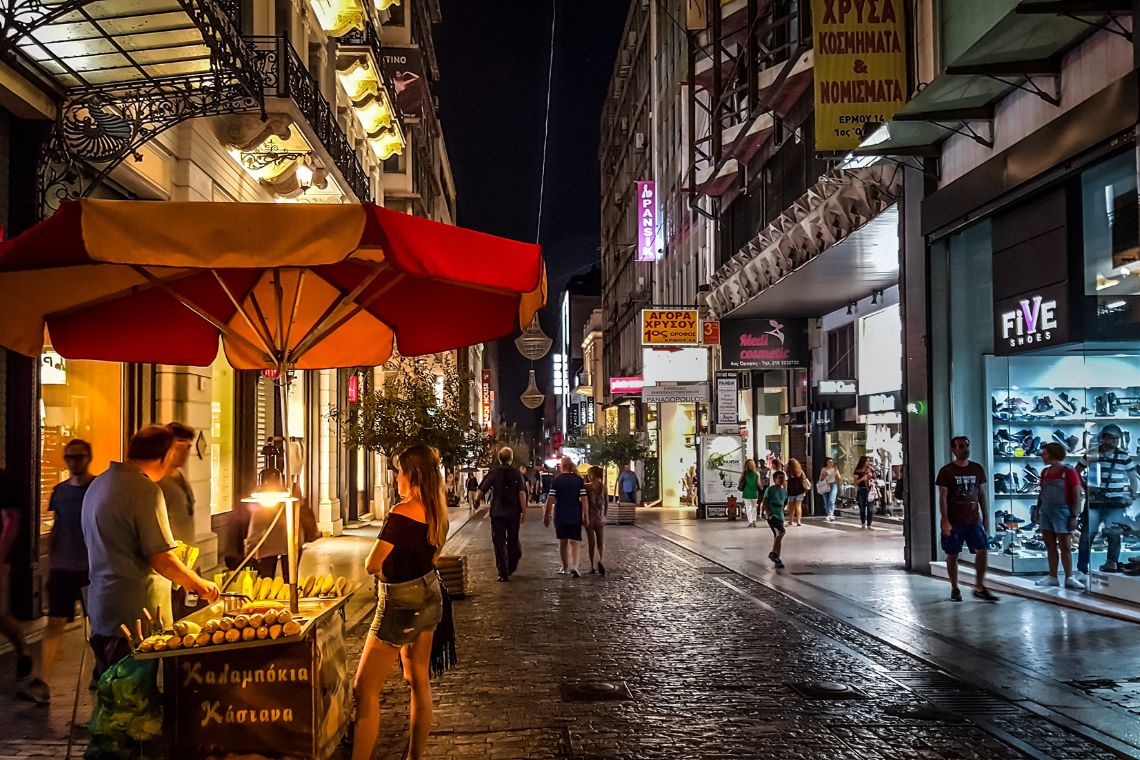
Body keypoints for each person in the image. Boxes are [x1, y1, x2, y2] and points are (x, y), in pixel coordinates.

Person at [82, 425, 220, 677]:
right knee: (131, 696)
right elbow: (161, 557)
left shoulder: (99, 483)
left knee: (112, 690)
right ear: (165, 455)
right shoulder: (145, 490)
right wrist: (199, 585)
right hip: (136, 614)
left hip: (103, 607)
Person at [352, 444, 450, 760]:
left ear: (411, 475)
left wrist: (383, 570)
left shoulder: (402, 512)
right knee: (417, 680)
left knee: (363, 688)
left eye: (399, 471)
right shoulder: (437, 509)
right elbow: (432, 556)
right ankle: (414, 757)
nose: (396, 477)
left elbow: (371, 562)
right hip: (430, 593)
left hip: (400, 600)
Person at [42, 440, 96, 698]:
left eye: (79, 457)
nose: (73, 462)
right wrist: (51, 561)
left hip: (89, 567)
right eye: (69, 457)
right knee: (55, 621)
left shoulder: (95, 489)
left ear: (88, 458)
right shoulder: (60, 491)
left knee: (95, 624)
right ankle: (43, 679)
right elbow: (56, 525)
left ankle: (101, 672)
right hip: (63, 566)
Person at [0, 468, 48, 703]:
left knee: (0, 616)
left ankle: (23, 653)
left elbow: (11, 520)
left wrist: (1, 558)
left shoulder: (2, 480)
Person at [935, 436, 998, 602]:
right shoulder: (946, 471)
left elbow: (981, 493)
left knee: (982, 550)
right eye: (961, 447)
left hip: (973, 519)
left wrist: (985, 515)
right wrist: (945, 520)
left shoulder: (976, 469)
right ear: (954, 450)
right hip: (955, 520)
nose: (965, 450)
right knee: (952, 553)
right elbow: (943, 497)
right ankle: (955, 587)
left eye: (967, 446)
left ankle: (979, 586)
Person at [1076, 423, 1138, 574]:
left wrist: (1132, 494)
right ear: (1104, 438)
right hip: (1095, 499)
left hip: (1115, 500)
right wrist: (1084, 486)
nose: (1114, 441)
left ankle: (1111, 563)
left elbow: (1133, 478)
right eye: (1111, 438)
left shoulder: (1123, 455)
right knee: (1086, 536)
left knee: (1114, 534)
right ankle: (1083, 568)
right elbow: (1076, 471)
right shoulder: (1092, 453)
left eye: (1116, 438)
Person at [1035, 443, 1084, 590]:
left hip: (1063, 511)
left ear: (1052, 454)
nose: (1042, 456)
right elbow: (1042, 492)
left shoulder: (1069, 472)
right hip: (1047, 511)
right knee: (1050, 546)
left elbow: (1077, 495)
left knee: (1065, 547)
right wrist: (1037, 510)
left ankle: (1069, 576)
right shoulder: (1045, 472)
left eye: (1044, 453)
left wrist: (1074, 515)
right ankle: (1052, 576)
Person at [479, 447, 526, 582]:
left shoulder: (494, 472)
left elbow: (483, 489)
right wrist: (524, 511)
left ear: (499, 458)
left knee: (498, 542)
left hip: (497, 512)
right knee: (512, 539)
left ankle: (502, 572)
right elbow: (521, 493)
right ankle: (511, 565)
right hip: (513, 512)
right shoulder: (517, 473)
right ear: (511, 459)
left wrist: (476, 500)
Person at [544, 456, 588, 577]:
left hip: (560, 514)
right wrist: (586, 515)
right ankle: (575, 566)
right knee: (575, 541)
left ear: (561, 466)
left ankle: (565, 566)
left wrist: (546, 516)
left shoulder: (556, 480)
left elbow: (550, 499)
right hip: (575, 513)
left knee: (563, 541)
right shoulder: (578, 480)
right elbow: (584, 499)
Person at [159, 422, 196, 545]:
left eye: (188, 448)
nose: (184, 453)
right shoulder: (158, 481)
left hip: (187, 554)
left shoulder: (181, 476)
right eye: (179, 448)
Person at [760, 471, 788, 569]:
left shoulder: (784, 491)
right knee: (781, 532)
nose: (781, 480)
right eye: (779, 478)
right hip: (772, 516)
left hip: (780, 515)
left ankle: (777, 558)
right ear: (775, 479)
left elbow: (784, 503)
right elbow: (765, 502)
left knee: (778, 536)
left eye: (783, 478)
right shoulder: (770, 490)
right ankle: (773, 553)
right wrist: (768, 512)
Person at [585, 466, 608, 575]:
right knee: (600, 542)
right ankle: (600, 560)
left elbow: (583, 502)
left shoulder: (587, 487)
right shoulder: (604, 487)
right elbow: (606, 503)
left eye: (589, 474)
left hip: (589, 517)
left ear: (593, 475)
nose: (588, 476)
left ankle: (592, 566)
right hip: (599, 517)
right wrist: (604, 515)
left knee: (591, 542)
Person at [853, 455, 876, 529]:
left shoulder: (871, 469)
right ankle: (863, 523)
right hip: (861, 490)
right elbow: (855, 482)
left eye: (869, 461)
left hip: (870, 490)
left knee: (870, 509)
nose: (868, 462)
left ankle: (869, 524)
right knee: (862, 508)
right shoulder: (857, 471)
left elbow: (875, 479)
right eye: (867, 461)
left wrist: (873, 481)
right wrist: (862, 479)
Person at [785, 458, 808, 526]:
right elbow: (804, 477)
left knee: (791, 507)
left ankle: (791, 521)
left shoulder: (788, 471)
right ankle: (799, 521)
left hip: (791, 490)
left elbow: (786, 480)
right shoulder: (799, 470)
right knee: (798, 506)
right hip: (800, 490)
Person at [738, 459, 761, 527]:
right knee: (754, 507)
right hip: (754, 492)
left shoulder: (744, 473)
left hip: (746, 492)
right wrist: (761, 487)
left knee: (748, 508)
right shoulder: (757, 473)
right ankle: (754, 521)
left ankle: (750, 522)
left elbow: (739, 482)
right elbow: (758, 483)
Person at [817, 457, 841, 522]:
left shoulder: (834, 469)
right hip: (825, 485)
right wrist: (825, 474)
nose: (831, 463)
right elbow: (821, 478)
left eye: (832, 462)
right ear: (827, 463)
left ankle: (831, 514)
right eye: (829, 462)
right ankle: (829, 514)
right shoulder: (824, 469)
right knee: (826, 501)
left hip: (833, 485)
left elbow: (839, 478)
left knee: (831, 500)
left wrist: (836, 471)